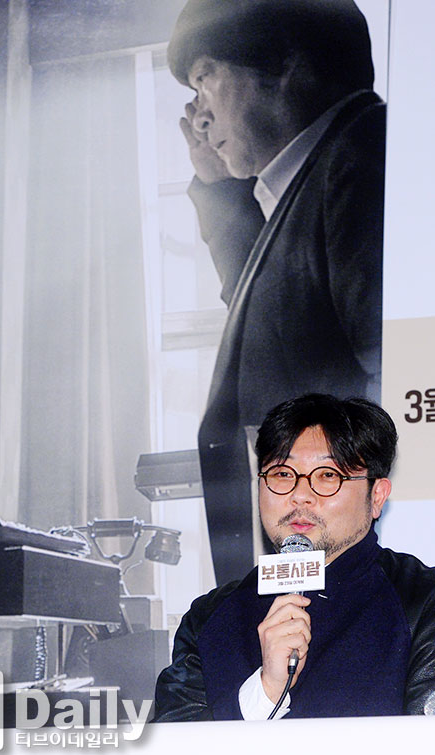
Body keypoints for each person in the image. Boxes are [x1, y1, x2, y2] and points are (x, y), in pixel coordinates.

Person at [168, 0, 386, 584]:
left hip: (348, 575)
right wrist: (220, 188)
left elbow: (400, 370)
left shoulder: (361, 150)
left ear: (287, 62)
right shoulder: (316, 175)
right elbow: (273, 319)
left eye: (205, 77)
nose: (198, 115)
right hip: (320, 569)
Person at [153, 394, 435, 720]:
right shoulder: (209, 616)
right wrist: (264, 692)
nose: (300, 496)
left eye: (328, 475)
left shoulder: (422, 601)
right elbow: (174, 735)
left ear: (377, 496)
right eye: (282, 474)